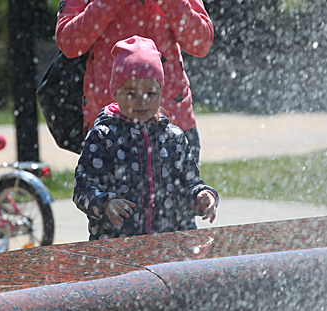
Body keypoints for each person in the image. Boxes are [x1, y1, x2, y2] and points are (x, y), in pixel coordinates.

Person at [73, 36, 218, 240]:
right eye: (131, 93)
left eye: (151, 93)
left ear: (161, 92)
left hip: (166, 246)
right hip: (117, 248)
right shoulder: (104, 136)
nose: (142, 101)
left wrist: (202, 197)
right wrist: (105, 203)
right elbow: (83, 189)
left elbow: (187, 187)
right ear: (115, 93)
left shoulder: (173, 138)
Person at [56, 0, 214, 160]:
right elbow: (69, 44)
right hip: (110, 124)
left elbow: (201, 44)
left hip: (172, 122)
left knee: (186, 184)